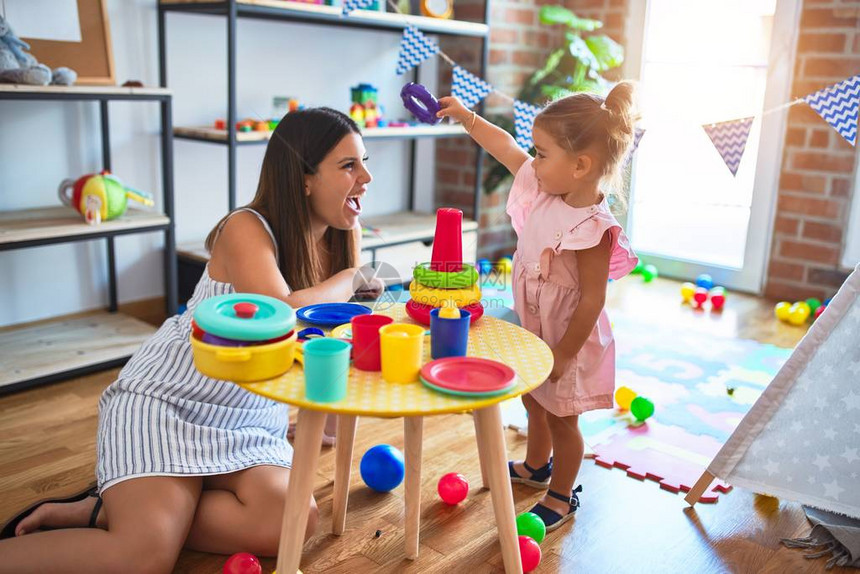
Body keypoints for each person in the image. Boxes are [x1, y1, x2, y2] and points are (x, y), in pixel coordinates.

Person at [0, 107, 382, 572]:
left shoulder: (343, 236)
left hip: (245, 417)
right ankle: (139, 514)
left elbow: (325, 344)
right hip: (169, 402)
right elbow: (284, 313)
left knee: (294, 520)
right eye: (349, 165)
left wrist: (322, 422)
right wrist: (352, 278)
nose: (366, 176)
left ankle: (110, 510)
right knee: (143, 557)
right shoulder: (246, 228)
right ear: (303, 178)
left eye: (364, 161)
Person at [437, 82, 639, 531]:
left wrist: (564, 353)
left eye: (543, 153)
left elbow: (592, 298)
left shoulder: (592, 227)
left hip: (570, 337)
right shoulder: (545, 187)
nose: (534, 160)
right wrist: (468, 118)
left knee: (562, 418)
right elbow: (505, 148)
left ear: (581, 165)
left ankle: (562, 496)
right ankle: (535, 466)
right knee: (533, 398)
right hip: (536, 323)